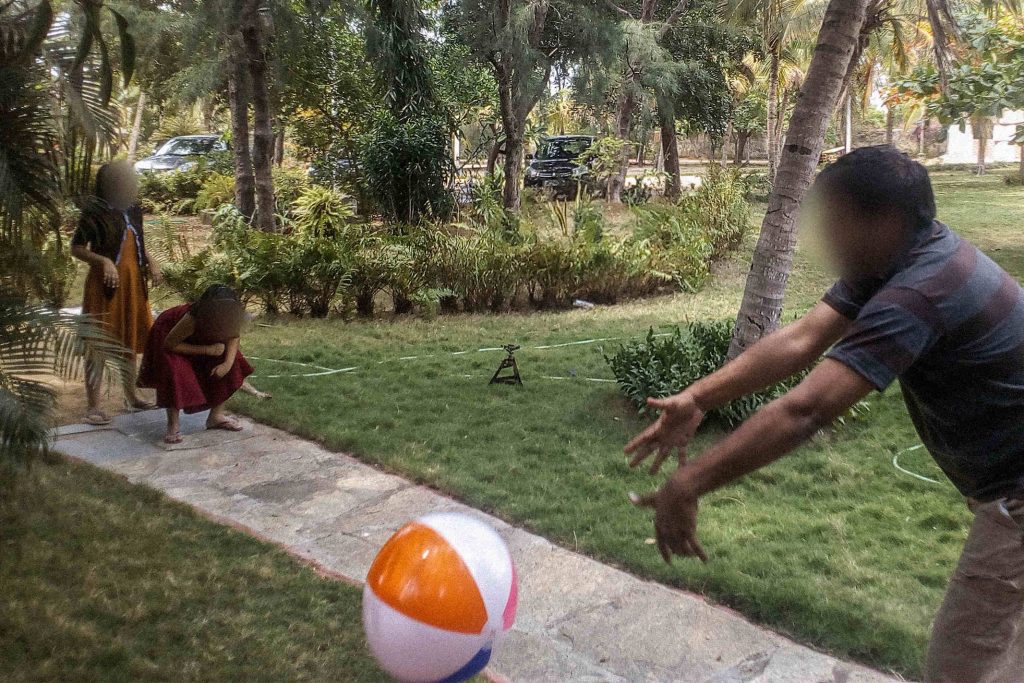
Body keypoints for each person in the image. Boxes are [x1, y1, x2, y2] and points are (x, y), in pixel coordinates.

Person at [624, 145, 1024, 683]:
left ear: (882, 221)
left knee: (962, 667)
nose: (826, 236)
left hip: (1016, 495)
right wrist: (698, 398)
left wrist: (689, 481)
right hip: (1004, 486)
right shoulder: (897, 258)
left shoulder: (921, 292)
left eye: (835, 220)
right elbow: (802, 339)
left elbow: (807, 410)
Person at [71, 160, 161, 425]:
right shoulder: (94, 212)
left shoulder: (134, 209)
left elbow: (138, 244)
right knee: (97, 344)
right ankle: (93, 406)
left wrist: (151, 261)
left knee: (129, 342)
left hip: (134, 285)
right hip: (104, 286)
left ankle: (131, 397)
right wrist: (103, 261)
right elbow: (76, 248)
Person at [138, 284, 253, 444]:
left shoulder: (232, 315)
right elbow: (170, 344)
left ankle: (216, 417)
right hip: (170, 336)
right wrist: (207, 350)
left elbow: (233, 337)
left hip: (202, 340)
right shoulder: (193, 318)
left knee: (232, 363)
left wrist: (226, 364)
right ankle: (173, 424)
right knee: (175, 369)